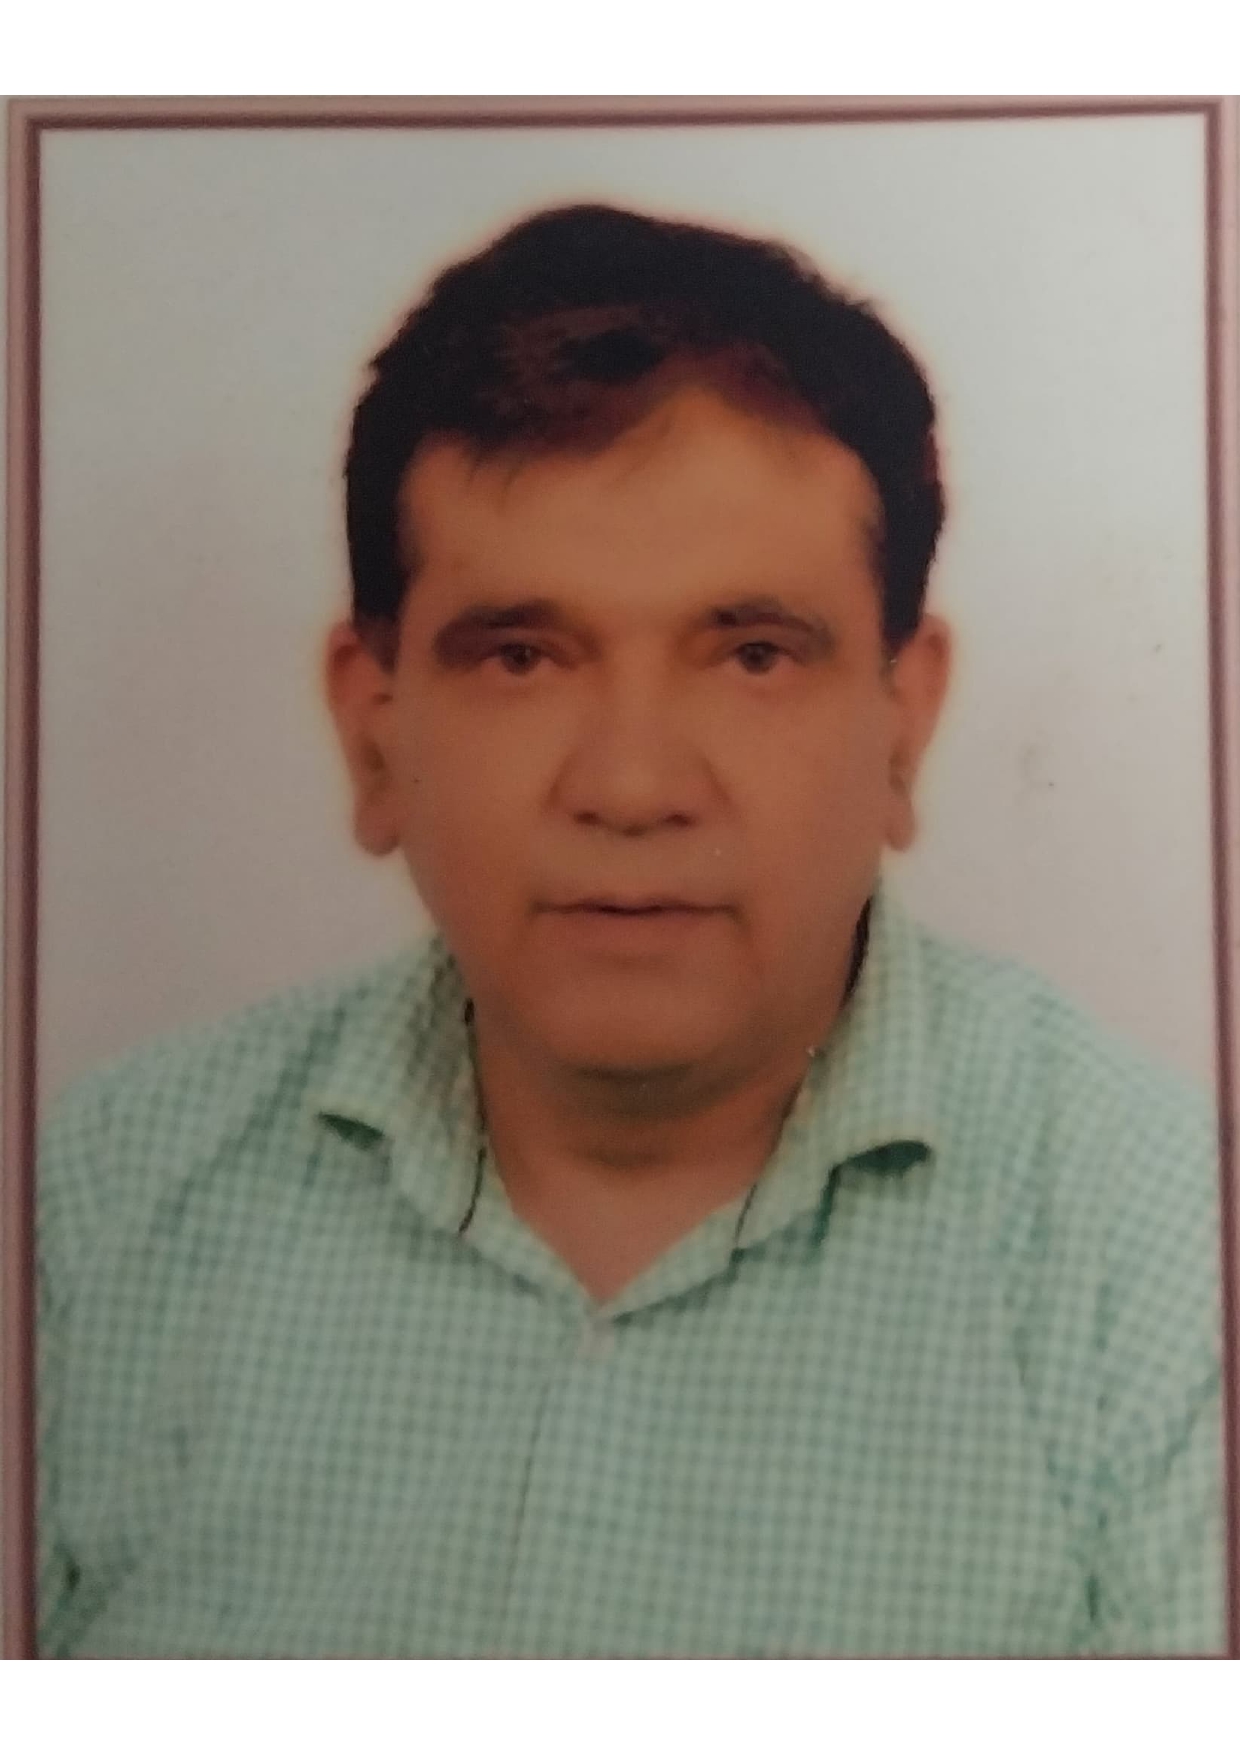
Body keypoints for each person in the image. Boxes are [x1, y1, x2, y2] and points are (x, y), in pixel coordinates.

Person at [36, 202, 1225, 1658]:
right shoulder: (92, 1214)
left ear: (904, 723)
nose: (633, 785)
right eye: (522, 658)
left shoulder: (1174, 1264)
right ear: (374, 732)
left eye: (754, 655)